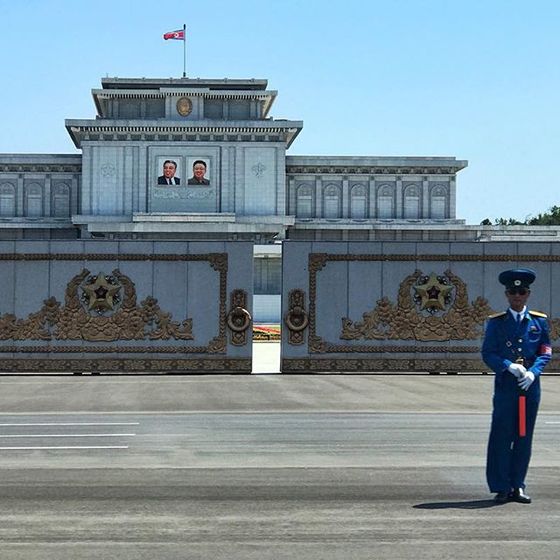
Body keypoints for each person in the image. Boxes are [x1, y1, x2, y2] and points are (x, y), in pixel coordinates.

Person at [482, 268, 551, 504]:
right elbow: (488, 353)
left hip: (528, 389)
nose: (517, 296)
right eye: (513, 291)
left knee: (523, 436)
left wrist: (533, 372)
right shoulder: (497, 323)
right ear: (506, 295)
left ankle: (518, 485)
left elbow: (545, 351)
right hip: (507, 388)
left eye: (521, 291)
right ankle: (500, 486)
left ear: (528, 294)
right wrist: (508, 366)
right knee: (502, 436)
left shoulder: (539, 322)